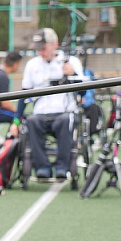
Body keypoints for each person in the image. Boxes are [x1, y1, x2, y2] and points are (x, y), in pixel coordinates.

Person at [16, 28, 83, 179]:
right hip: (40, 114)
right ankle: (42, 167)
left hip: (64, 112)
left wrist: (74, 75)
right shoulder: (32, 64)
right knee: (31, 121)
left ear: (55, 44)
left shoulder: (71, 62)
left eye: (43, 48)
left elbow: (83, 93)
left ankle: (62, 167)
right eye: (38, 48)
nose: (40, 52)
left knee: (65, 121)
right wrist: (16, 120)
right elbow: (24, 95)